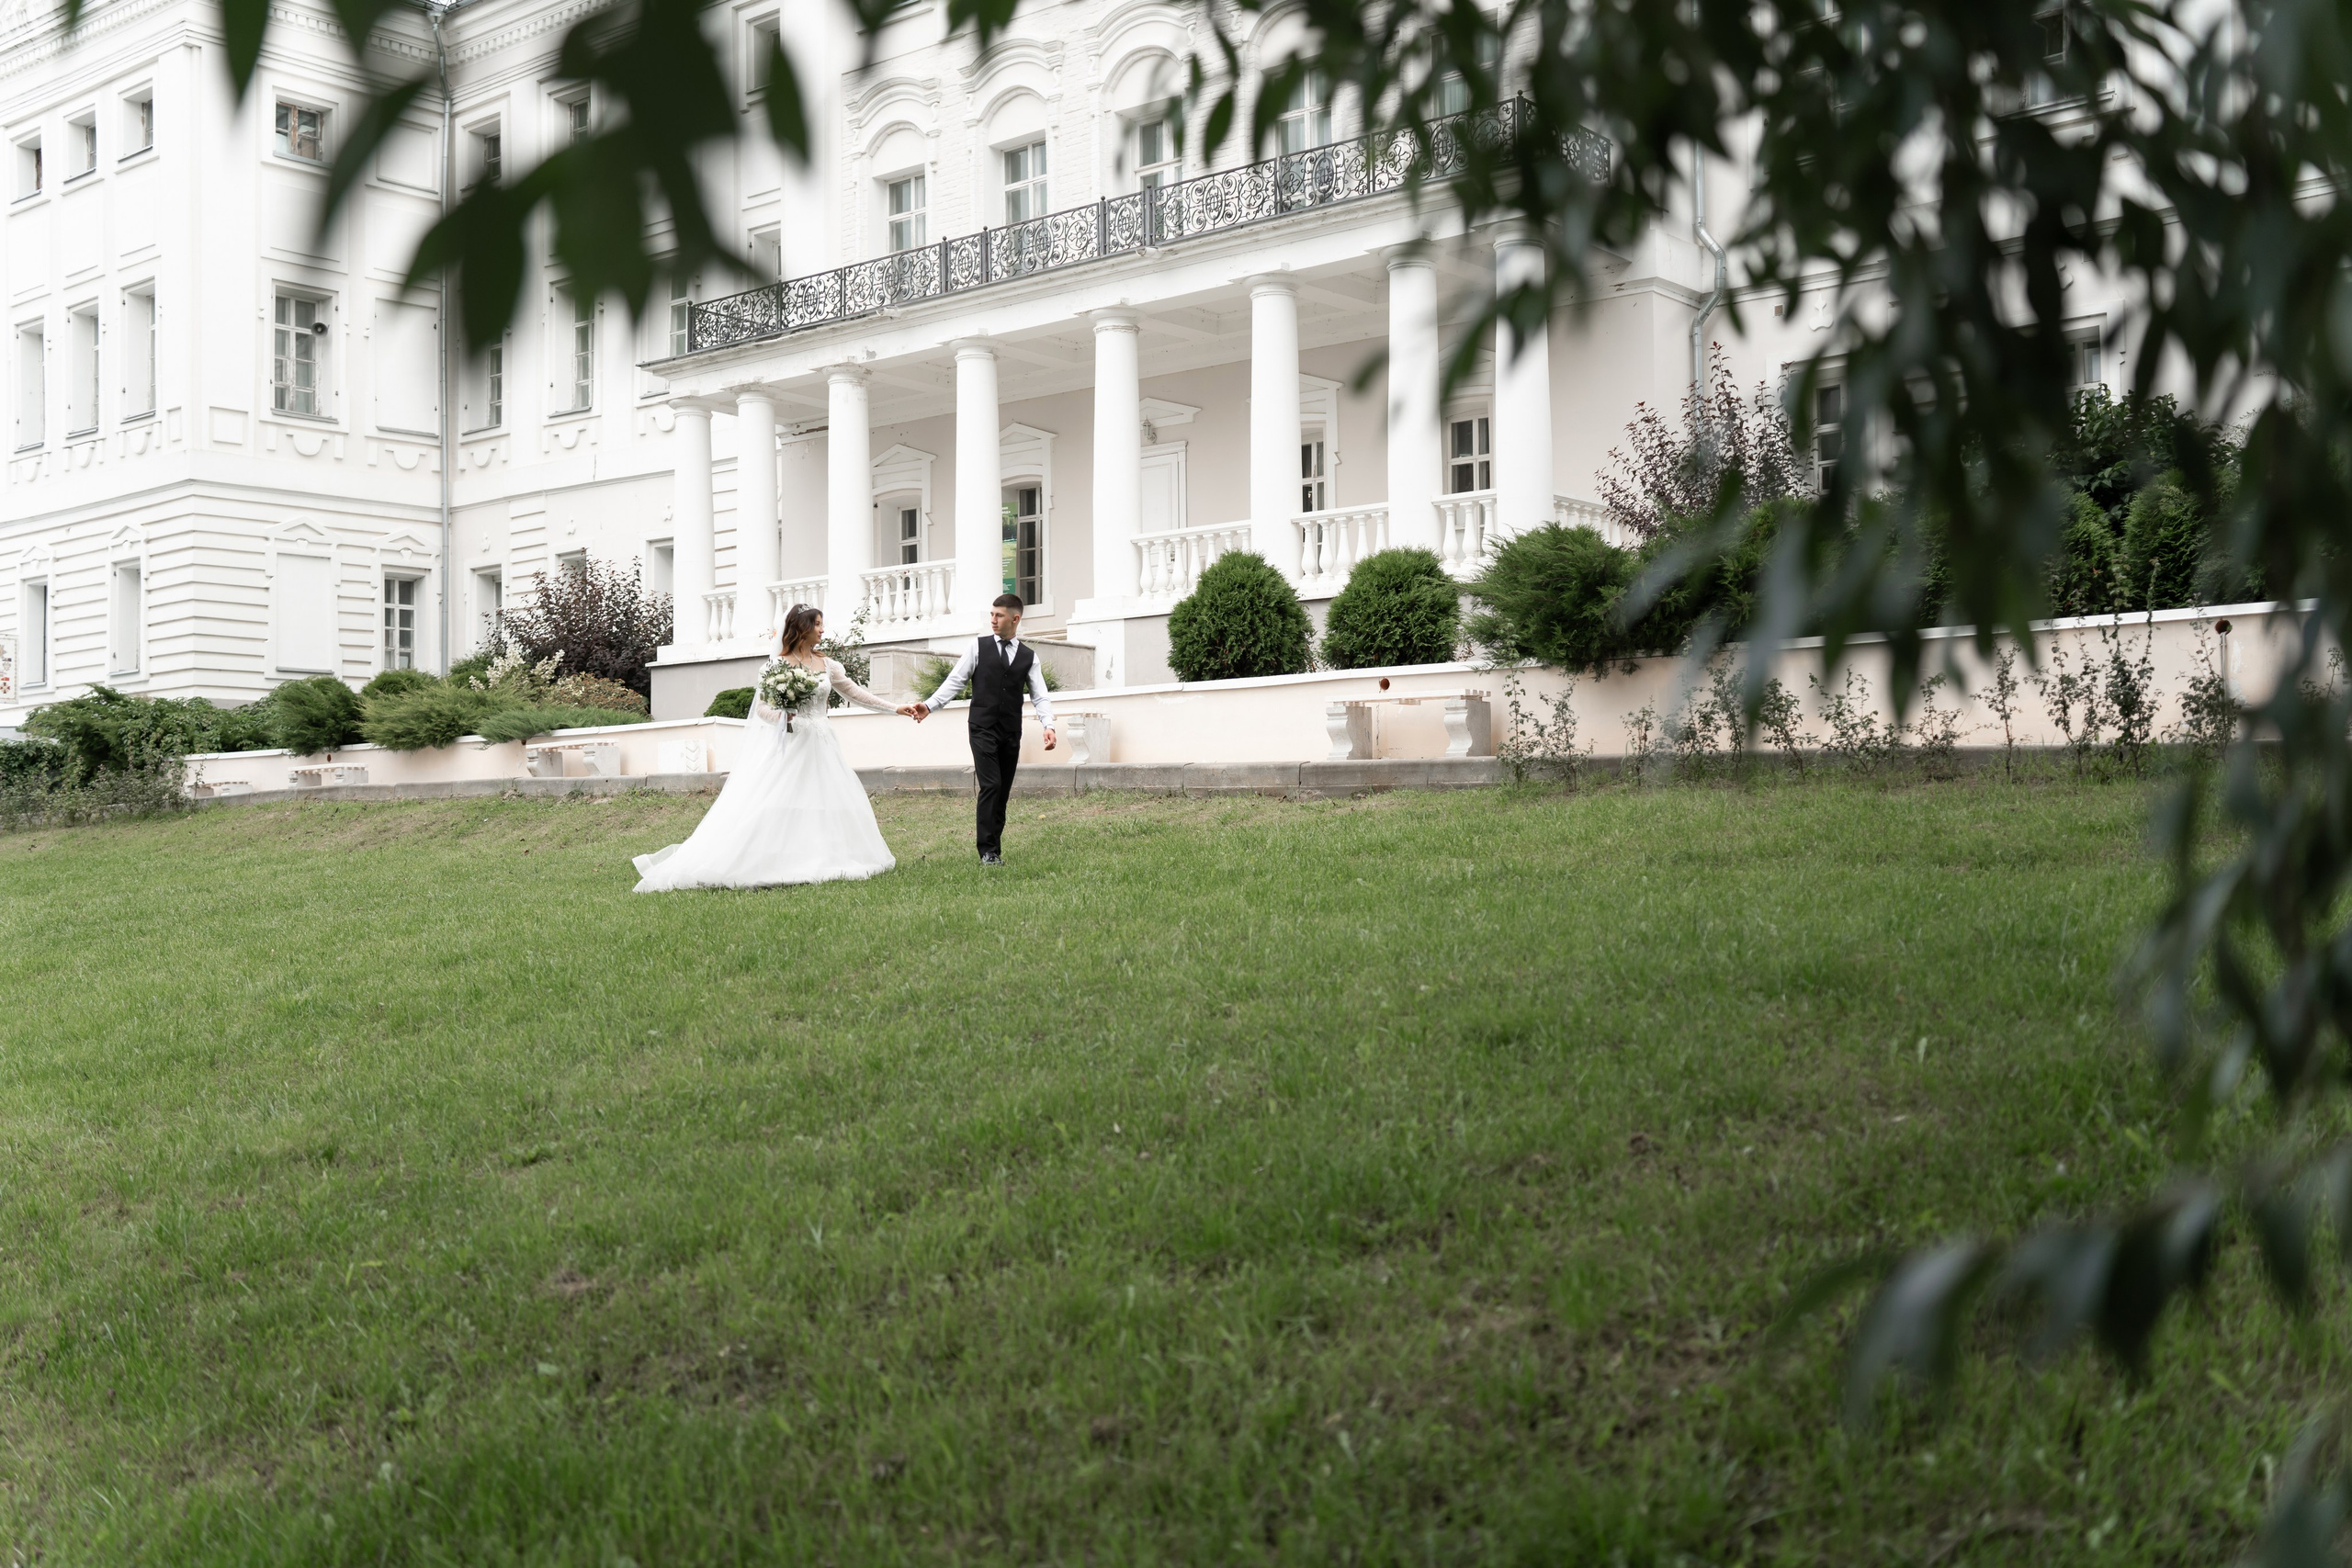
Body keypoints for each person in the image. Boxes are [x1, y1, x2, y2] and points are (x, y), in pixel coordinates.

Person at [632, 604, 917, 891]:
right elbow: (763, 710)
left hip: (821, 742)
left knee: (825, 800)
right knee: (779, 799)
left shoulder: (827, 664)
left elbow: (855, 693)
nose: (822, 629)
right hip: (792, 743)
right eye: (817, 624)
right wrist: (783, 715)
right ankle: (771, 859)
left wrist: (896, 708)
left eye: (822, 623)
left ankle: (826, 856)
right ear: (802, 628)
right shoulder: (776, 666)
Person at [910, 592, 1056, 866]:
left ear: (1015, 618)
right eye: (991, 614)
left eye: (999, 615)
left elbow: (1040, 695)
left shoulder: (1029, 657)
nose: (993, 620)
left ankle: (994, 850)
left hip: (1011, 731)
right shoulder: (978, 647)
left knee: (1002, 791)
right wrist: (929, 706)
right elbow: (956, 680)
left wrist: (1048, 725)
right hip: (982, 727)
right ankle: (987, 851)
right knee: (991, 784)